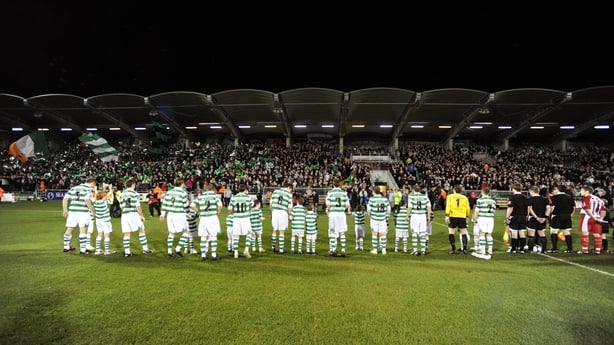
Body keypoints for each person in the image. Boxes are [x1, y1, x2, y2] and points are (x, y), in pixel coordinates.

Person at [62, 177, 97, 254]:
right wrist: (92, 210)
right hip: (83, 212)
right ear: (93, 183)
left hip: (72, 211)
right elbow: (87, 200)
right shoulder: (88, 189)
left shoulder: (74, 188)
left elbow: (65, 199)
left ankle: (66, 247)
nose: (94, 187)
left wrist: (65, 210)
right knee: (83, 230)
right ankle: (83, 250)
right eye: (94, 185)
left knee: (69, 229)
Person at [120, 178, 153, 257]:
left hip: (124, 215)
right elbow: (137, 205)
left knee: (126, 233)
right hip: (133, 214)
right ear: (133, 185)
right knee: (141, 230)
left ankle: (127, 252)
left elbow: (121, 206)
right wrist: (141, 215)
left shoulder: (122, 194)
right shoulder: (135, 194)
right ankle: (145, 249)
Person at [191, 183, 223, 261]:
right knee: (214, 236)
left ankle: (203, 255)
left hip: (203, 218)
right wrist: (218, 213)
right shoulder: (214, 196)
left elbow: (192, 205)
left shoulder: (201, 196)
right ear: (212, 189)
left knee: (203, 237)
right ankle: (214, 255)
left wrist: (198, 212)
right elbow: (220, 205)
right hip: (212, 218)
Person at [160, 178, 190, 258]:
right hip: (179, 214)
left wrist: (162, 214)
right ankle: (178, 248)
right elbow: (186, 205)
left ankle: (169, 252)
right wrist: (188, 214)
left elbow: (164, 204)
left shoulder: (169, 192)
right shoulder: (183, 193)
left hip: (170, 215)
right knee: (186, 232)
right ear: (182, 184)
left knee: (171, 233)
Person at [545, 185, 575, 253]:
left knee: (553, 231)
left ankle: (554, 248)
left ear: (558, 189)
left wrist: (549, 215)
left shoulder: (554, 197)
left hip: (557, 216)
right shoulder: (569, 197)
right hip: (567, 216)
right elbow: (573, 208)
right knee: (566, 232)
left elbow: (552, 207)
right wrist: (570, 215)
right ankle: (570, 249)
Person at [325, 178, 350, 256]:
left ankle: (333, 249)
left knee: (332, 232)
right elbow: (347, 205)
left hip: (333, 214)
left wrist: (328, 210)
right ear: (340, 184)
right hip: (341, 214)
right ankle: (343, 250)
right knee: (342, 232)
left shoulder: (330, 193)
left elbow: (328, 205)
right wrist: (342, 209)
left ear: (333, 184)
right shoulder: (344, 193)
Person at [578, 185, 606, 255]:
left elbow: (587, 209)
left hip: (587, 217)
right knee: (597, 234)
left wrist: (593, 217)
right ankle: (597, 250)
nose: (580, 192)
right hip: (597, 217)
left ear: (587, 191)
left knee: (585, 233)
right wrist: (601, 218)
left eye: (581, 190)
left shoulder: (586, 198)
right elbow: (604, 210)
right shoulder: (598, 199)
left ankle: (584, 250)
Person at [228, 183, 253, 259]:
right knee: (249, 234)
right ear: (245, 189)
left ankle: (236, 253)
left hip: (236, 218)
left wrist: (233, 213)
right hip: (245, 218)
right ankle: (246, 250)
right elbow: (251, 205)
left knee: (236, 235)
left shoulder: (233, 198)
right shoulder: (247, 198)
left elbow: (229, 208)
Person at [471, 187, 497, 258]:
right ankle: (490, 250)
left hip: (482, 218)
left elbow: (477, 210)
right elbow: (494, 210)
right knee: (489, 234)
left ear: (482, 192)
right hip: (490, 218)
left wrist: (475, 218)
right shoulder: (493, 201)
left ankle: (482, 250)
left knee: (482, 233)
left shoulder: (480, 200)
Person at [445, 185, 471, 254]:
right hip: (462, 216)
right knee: (463, 232)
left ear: (454, 190)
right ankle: (465, 249)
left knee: (451, 232)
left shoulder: (450, 197)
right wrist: (467, 216)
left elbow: (448, 206)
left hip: (453, 216)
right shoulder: (465, 198)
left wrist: (447, 215)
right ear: (461, 191)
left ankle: (454, 249)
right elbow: (467, 208)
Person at [505, 182, 530, 254]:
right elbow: (528, 208)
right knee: (522, 232)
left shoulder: (511, 197)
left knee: (514, 233)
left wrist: (507, 217)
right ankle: (522, 249)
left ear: (513, 189)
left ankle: (513, 249)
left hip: (514, 217)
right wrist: (526, 216)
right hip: (523, 217)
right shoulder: (526, 197)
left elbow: (510, 208)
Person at [407, 184, 431, 255]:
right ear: (420, 190)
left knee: (414, 233)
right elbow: (429, 207)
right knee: (422, 232)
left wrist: (407, 216)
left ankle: (415, 250)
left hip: (415, 215)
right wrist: (428, 216)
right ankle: (423, 250)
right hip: (423, 216)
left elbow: (410, 207)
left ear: (413, 190)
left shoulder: (411, 197)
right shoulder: (424, 197)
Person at [367, 185, 391, 255]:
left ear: (374, 191)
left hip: (374, 219)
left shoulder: (372, 199)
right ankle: (384, 250)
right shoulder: (385, 199)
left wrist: (369, 216)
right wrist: (386, 216)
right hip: (382, 219)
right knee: (382, 234)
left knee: (374, 234)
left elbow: (368, 209)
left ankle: (375, 249)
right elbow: (389, 210)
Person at [270, 182, 293, 254]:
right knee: (281, 231)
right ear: (289, 187)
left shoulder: (275, 191)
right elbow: (290, 207)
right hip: (283, 212)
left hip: (275, 211)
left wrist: (271, 213)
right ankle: (281, 250)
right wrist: (289, 216)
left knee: (274, 229)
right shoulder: (289, 194)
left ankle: (273, 247)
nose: (291, 191)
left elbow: (271, 204)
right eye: (291, 189)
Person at [92, 190, 115, 255]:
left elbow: (95, 197)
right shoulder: (105, 202)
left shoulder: (95, 202)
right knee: (106, 235)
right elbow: (111, 198)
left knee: (99, 234)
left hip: (98, 221)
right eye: (104, 196)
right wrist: (111, 190)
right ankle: (107, 250)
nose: (106, 197)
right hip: (105, 221)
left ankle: (97, 250)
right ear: (103, 197)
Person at [527, 185, 548, 253]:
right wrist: (545, 217)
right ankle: (544, 250)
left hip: (533, 218)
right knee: (542, 234)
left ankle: (530, 250)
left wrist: (536, 217)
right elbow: (548, 209)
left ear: (531, 191)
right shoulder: (545, 199)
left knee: (531, 234)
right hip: (542, 219)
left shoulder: (530, 199)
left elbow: (530, 209)